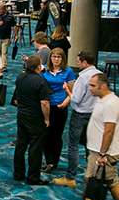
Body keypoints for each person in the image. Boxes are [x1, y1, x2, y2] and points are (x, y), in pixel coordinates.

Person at [60, 73, 119, 200]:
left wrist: (102, 154)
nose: (90, 88)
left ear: (103, 86)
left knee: (112, 183)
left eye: (93, 85)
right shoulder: (102, 100)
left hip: (104, 152)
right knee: (91, 178)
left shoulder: (111, 104)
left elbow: (109, 131)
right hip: (96, 150)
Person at [52, 51, 99, 188]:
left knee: (73, 146)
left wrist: (67, 90)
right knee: (91, 146)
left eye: (78, 61)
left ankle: (70, 177)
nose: (77, 63)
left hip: (80, 114)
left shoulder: (83, 77)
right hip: (94, 114)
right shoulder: (100, 74)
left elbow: (76, 99)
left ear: (85, 62)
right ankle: (91, 175)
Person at [13, 55, 50, 185]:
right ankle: (33, 177)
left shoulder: (20, 77)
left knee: (21, 144)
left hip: (21, 115)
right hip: (36, 117)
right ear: (39, 67)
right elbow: (44, 103)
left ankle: (18, 173)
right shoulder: (41, 81)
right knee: (35, 148)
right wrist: (47, 119)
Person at [41, 48, 75, 173]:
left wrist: (64, 103)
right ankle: (48, 161)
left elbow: (72, 91)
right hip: (46, 106)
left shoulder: (68, 71)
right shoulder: (44, 69)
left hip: (60, 106)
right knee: (45, 134)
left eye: (59, 57)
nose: (56, 59)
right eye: (54, 56)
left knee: (56, 135)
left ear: (63, 58)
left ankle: (54, 162)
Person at [0, 3, 17, 72]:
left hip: (6, 37)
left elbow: (14, 26)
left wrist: (16, 35)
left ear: (5, 9)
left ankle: (3, 66)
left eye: (1, 9)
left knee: (4, 52)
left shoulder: (10, 16)